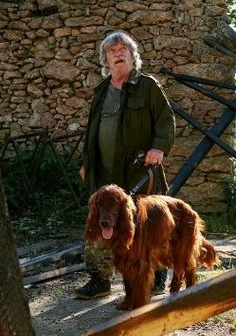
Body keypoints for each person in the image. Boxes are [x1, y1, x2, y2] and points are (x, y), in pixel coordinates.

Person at [74, 30, 176, 300]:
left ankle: (154, 277)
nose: (118, 54)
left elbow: (166, 121)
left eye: (123, 49)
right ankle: (99, 280)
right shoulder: (100, 93)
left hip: (140, 172)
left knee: (149, 224)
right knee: (100, 222)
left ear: (133, 56)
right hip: (105, 173)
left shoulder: (148, 86)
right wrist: (87, 162)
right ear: (105, 60)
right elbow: (92, 132)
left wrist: (159, 147)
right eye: (112, 51)